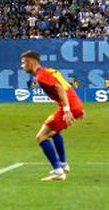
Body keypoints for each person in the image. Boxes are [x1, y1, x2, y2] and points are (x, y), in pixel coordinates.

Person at [20, 50, 83, 182]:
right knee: (53, 132)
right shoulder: (49, 71)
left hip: (69, 106)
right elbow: (65, 86)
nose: (22, 66)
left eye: (23, 62)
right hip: (73, 104)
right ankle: (63, 164)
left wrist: (67, 110)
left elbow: (60, 88)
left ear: (31, 62)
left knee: (41, 136)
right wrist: (77, 108)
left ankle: (58, 171)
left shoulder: (41, 75)